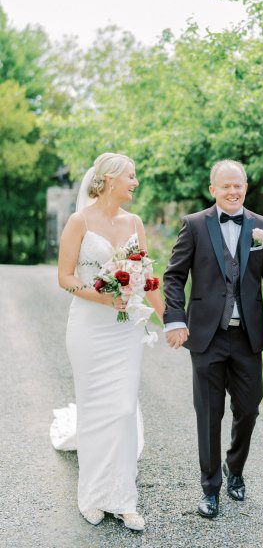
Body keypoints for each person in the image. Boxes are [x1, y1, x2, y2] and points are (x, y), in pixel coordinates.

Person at [163, 159, 263, 518]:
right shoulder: (194, 225)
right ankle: (210, 489)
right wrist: (174, 319)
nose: (233, 191)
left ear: (245, 188)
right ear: (212, 189)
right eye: (226, 186)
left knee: (248, 409)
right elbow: (174, 276)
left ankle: (236, 469)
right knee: (208, 413)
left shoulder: (262, 227)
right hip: (206, 335)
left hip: (249, 337)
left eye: (239, 185)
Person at [57, 152, 164, 531]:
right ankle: (92, 496)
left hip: (125, 329)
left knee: (121, 408)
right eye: (131, 176)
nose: (136, 182)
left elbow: (147, 275)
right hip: (88, 327)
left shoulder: (134, 222)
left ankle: (124, 499)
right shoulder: (79, 221)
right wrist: (103, 296)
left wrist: (171, 319)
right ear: (110, 180)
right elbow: (65, 277)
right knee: (95, 409)